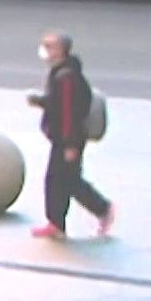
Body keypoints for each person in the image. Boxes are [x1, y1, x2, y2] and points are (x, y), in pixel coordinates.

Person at [27, 31, 114, 240]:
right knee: (58, 180)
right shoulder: (62, 72)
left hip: (68, 138)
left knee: (68, 180)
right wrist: (40, 101)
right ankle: (56, 223)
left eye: (49, 46)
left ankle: (103, 209)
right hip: (63, 137)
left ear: (60, 50)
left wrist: (70, 144)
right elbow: (57, 103)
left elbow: (69, 112)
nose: (44, 50)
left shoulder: (66, 77)